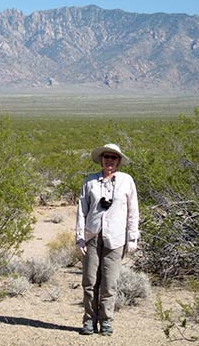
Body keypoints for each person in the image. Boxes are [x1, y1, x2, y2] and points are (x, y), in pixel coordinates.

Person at [75, 143, 140, 336]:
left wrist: (133, 237)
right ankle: (89, 321)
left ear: (118, 161)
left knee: (109, 283)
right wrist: (80, 238)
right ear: (101, 160)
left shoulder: (127, 181)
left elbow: (133, 211)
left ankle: (106, 322)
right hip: (92, 237)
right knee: (89, 281)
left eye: (113, 157)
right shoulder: (90, 182)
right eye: (106, 157)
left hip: (116, 238)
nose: (109, 160)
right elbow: (81, 211)